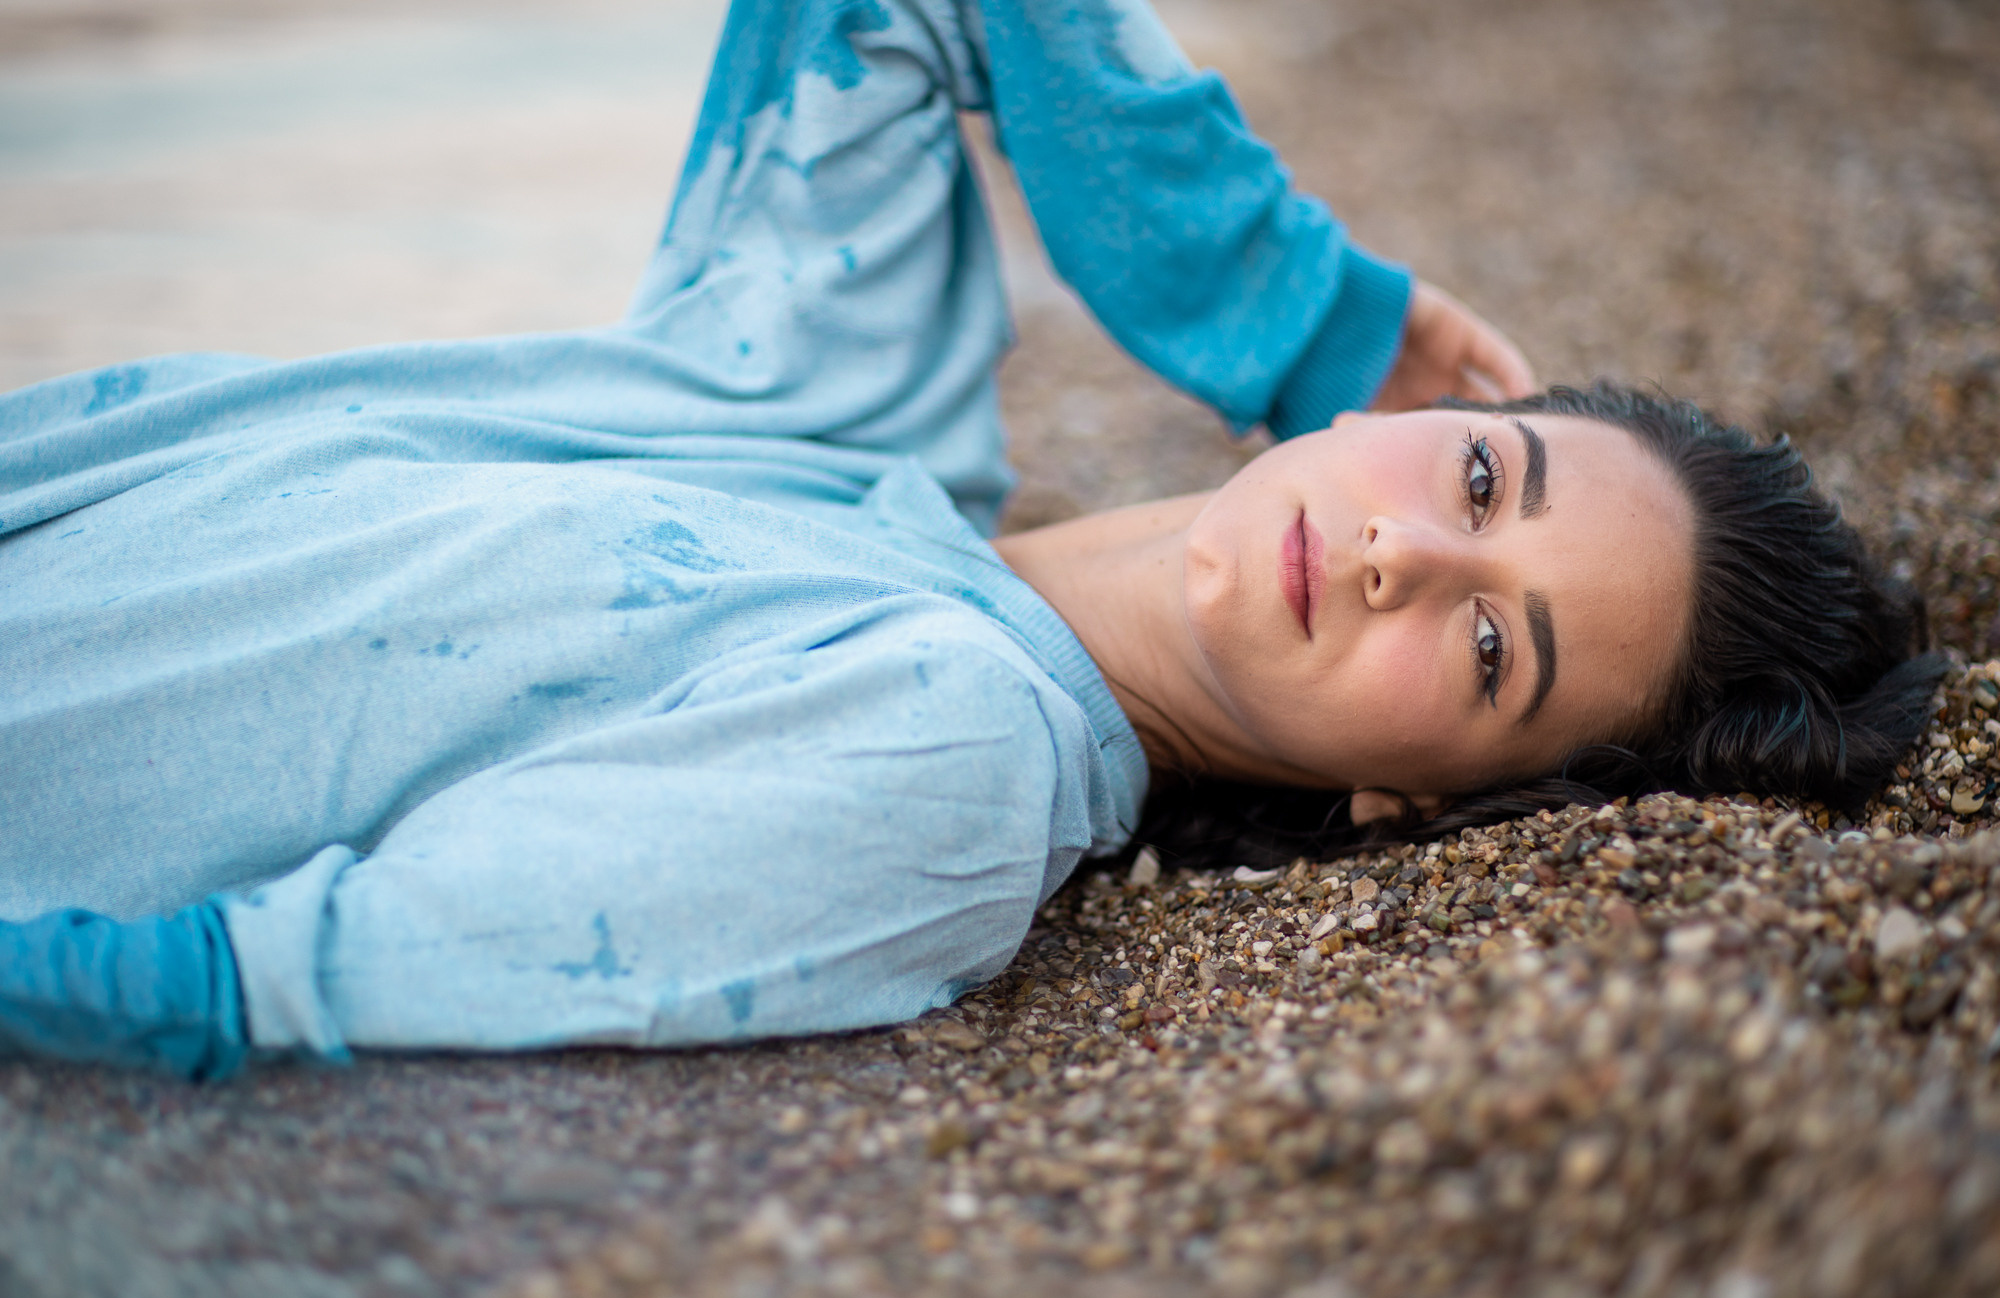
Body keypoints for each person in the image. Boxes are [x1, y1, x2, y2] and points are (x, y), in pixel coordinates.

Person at [0, 0, 1938, 1082]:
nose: (1400, 562)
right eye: (1484, 484)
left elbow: (259, 979)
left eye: (1492, 651)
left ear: (1405, 812)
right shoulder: (821, 411)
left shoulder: (948, 756)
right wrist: (1287, 299)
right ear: (1407, 419)